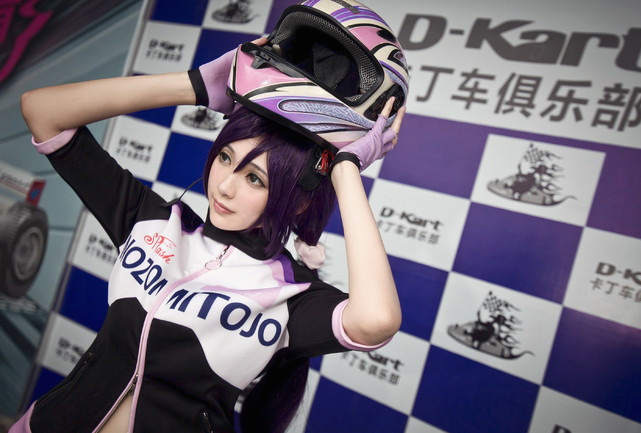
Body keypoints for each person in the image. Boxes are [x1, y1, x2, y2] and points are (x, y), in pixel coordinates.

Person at [12, 24, 406, 433]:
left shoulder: (291, 295)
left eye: (254, 179)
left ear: (301, 199)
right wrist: (197, 85)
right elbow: (41, 111)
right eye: (225, 158)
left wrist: (345, 169)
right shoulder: (154, 221)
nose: (224, 187)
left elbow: (375, 320)